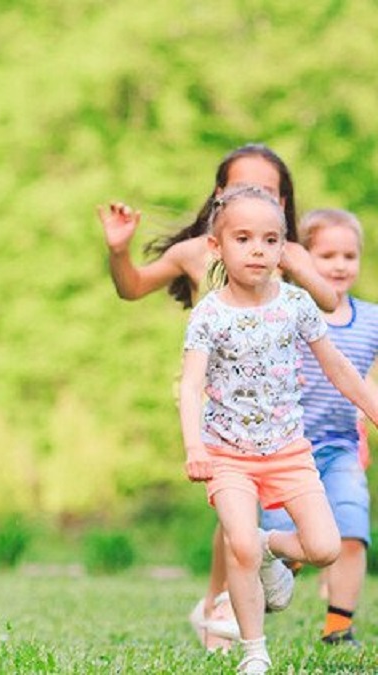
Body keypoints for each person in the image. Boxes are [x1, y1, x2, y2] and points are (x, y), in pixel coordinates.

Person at [97, 143, 338, 650]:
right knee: (235, 514)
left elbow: (329, 300)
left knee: (253, 524)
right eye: (238, 187)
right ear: (218, 196)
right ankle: (220, 608)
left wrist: (297, 262)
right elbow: (133, 287)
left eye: (268, 190)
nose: (253, 195)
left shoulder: (280, 251)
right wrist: (119, 251)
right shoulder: (196, 253)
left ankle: (220, 603)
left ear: (283, 202)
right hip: (217, 403)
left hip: (280, 404)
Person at [178, 185, 378, 674]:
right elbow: (190, 385)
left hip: (289, 451)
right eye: (243, 238)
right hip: (227, 453)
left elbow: (339, 368)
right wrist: (192, 447)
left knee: (325, 548)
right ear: (217, 246)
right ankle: (254, 651)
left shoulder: (296, 305)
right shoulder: (211, 314)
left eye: (270, 240)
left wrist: (373, 409)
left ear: (284, 249)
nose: (257, 250)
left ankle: (271, 545)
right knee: (239, 543)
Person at [258, 208, 377, 648]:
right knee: (285, 546)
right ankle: (249, 607)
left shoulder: (371, 319)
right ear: (302, 257)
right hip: (285, 449)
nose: (340, 265)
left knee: (351, 530)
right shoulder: (286, 310)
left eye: (350, 255)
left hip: (341, 446)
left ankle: (338, 626)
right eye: (327, 254)